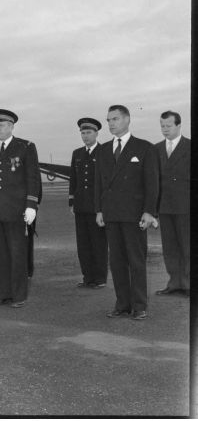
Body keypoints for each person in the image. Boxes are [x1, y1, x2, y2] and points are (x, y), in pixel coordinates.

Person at [95, 105, 159, 321]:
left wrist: (149, 212)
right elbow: (99, 184)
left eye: (115, 119)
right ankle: (122, 304)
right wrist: (99, 210)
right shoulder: (103, 150)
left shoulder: (144, 148)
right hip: (112, 214)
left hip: (134, 215)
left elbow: (152, 184)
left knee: (136, 261)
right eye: (108, 120)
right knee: (117, 262)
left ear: (127, 119)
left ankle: (139, 305)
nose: (111, 124)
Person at [0, 109, 40, 308]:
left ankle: (19, 296)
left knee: (17, 254)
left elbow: (33, 178)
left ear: (12, 126)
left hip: (17, 210)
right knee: (0, 255)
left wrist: (31, 205)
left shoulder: (25, 147)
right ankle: (4, 294)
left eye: (2, 125)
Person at [68, 117, 107, 289]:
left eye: (88, 132)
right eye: (83, 133)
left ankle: (100, 278)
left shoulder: (104, 151)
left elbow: (106, 181)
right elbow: (74, 179)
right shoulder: (77, 153)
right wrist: (71, 201)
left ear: (96, 133)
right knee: (83, 244)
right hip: (81, 205)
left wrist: (104, 206)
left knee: (98, 243)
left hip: (97, 206)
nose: (85, 136)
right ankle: (87, 277)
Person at [154, 111, 190, 297]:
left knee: (187, 246)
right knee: (169, 247)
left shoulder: (190, 147)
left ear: (178, 125)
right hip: (164, 206)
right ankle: (174, 283)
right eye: (162, 126)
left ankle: (188, 284)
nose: (165, 129)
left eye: (168, 126)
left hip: (186, 206)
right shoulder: (156, 149)